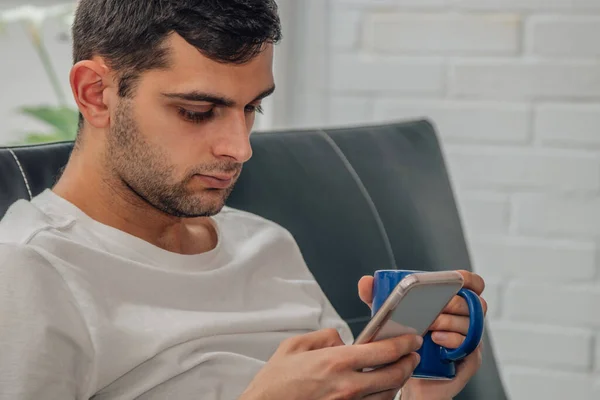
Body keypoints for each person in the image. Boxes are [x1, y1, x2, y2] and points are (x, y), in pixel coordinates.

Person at [0, 1, 488, 399]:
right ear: (96, 94)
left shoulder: (263, 240)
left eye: (251, 107)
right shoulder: (29, 271)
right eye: (198, 112)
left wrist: (415, 387)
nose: (240, 147)